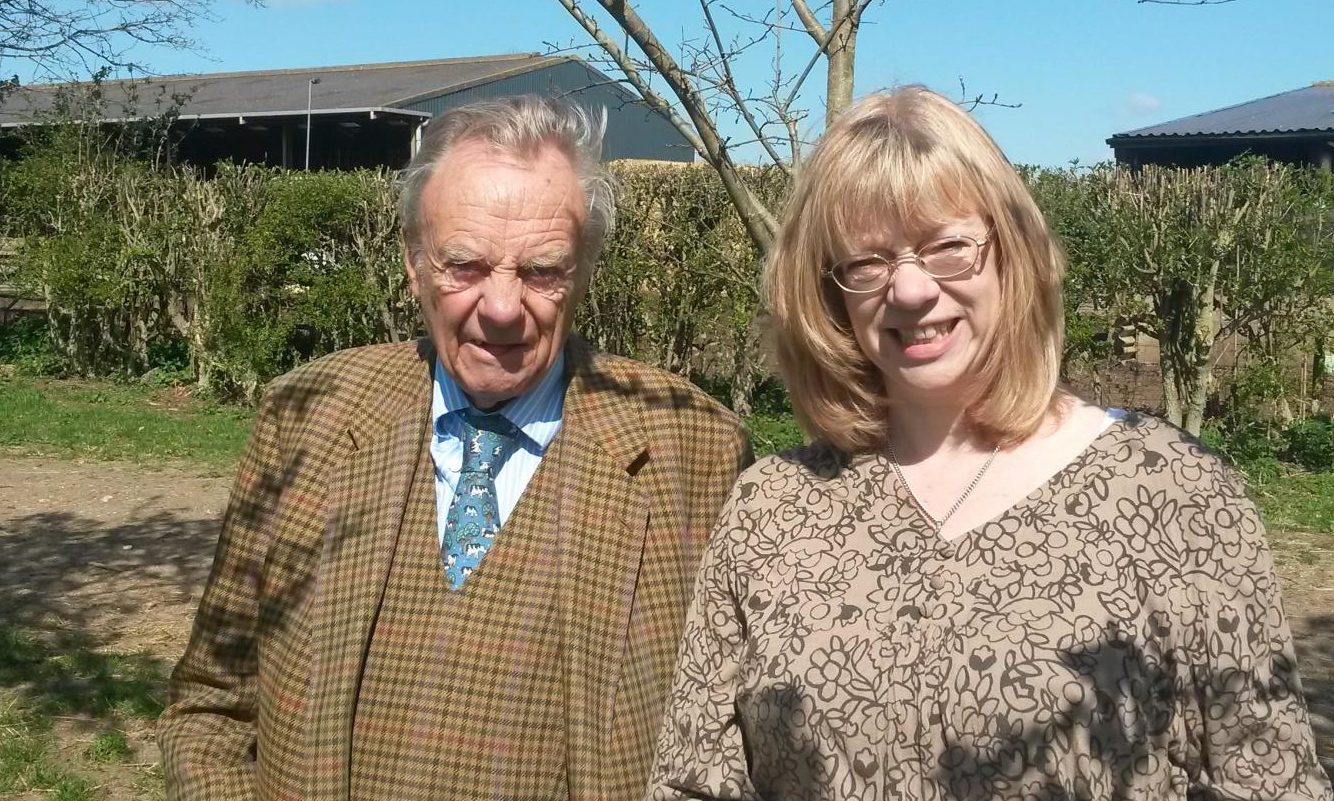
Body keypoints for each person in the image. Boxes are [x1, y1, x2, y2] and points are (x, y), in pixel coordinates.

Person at [647, 86, 1333, 801]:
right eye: (867, 262)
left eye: (948, 247)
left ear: (1014, 252)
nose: (909, 290)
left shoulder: (1174, 495)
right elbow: (693, 778)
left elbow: (1271, 779)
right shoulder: (773, 509)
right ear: (831, 295)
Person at [158, 95, 751, 801]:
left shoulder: (694, 449)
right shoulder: (309, 416)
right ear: (414, 263)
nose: (502, 307)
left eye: (541, 270)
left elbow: (734, 749)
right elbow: (211, 707)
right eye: (464, 264)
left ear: (583, 273)